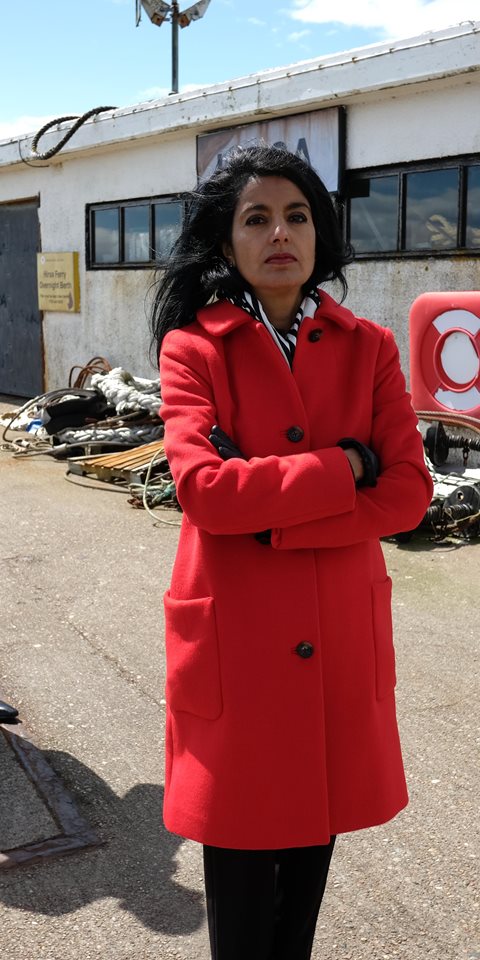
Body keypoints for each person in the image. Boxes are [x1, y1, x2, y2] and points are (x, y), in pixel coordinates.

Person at [151, 144, 433, 960]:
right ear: (226, 241)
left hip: (336, 647)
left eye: (298, 214)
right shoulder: (192, 349)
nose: (282, 232)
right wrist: (344, 468)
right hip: (236, 654)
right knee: (240, 910)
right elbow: (204, 490)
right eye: (257, 217)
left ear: (322, 233)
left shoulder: (370, 347)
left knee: (302, 896)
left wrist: (273, 512)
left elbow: (409, 495)